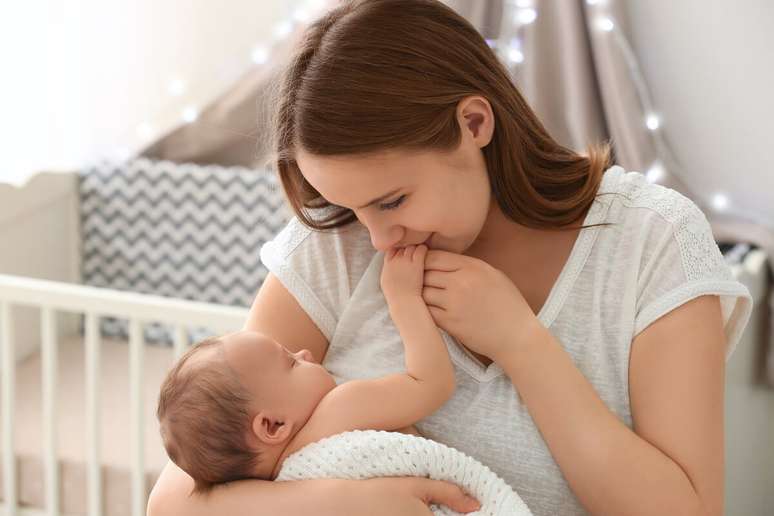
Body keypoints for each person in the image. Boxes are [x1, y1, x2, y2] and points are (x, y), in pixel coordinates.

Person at [147, 0, 753, 515]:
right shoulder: (336, 245)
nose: (378, 239)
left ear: (474, 122)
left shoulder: (652, 241)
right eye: (350, 207)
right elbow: (175, 499)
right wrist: (348, 501)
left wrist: (522, 344)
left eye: (392, 200)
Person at [155, 243, 480, 513]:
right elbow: (433, 384)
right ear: (272, 426)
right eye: (292, 363)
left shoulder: (269, 493)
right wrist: (403, 300)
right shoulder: (340, 408)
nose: (306, 354)